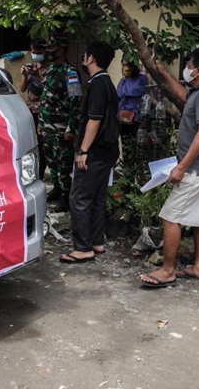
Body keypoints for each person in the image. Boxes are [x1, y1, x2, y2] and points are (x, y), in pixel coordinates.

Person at [139, 48, 199, 287]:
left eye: (188, 64)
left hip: (198, 168)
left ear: (197, 70)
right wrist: (163, 72)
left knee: (170, 216)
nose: (185, 67)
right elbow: (183, 97)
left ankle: (167, 270)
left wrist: (181, 167)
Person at [61, 41, 121, 263]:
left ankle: (83, 247)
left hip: (94, 151)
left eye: (85, 55)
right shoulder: (108, 83)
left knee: (79, 197)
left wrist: (83, 150)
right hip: (108, 150)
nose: (83, 58)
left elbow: (94, 121)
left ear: (92, 58)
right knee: (96, 197)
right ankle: (97, 242)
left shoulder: (96, 84)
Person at [38, 36, 81, 212]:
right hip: (48, 127)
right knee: (52, 162)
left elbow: (76, 101)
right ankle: (57, 189)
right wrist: (40, 123)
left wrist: (72, 128)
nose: (49, 51)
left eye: (53, 47)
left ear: (62, 49)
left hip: (62, 128)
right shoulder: (50, 71)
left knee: (63, 164)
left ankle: (66, 196)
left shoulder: (70, 73)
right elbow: (44, 98)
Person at [20, 38, 48, 178]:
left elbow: (50, 88)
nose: (35, 55)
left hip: (42, 111)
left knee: (41, 145)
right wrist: (26, 75)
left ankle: (40, 174)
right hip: (30, 109)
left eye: (37, 52)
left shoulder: (49, 67)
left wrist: (38, 75)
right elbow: (23, 88)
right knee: (29, 143)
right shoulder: (32, 65)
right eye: (32, 52)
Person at [117, 59, 149, 138]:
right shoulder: (122, 81)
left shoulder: (142, 79)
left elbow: (145, 97)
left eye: (127, 65)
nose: (125, 68)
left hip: (137, 119)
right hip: (122, 118)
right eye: (123, 65)